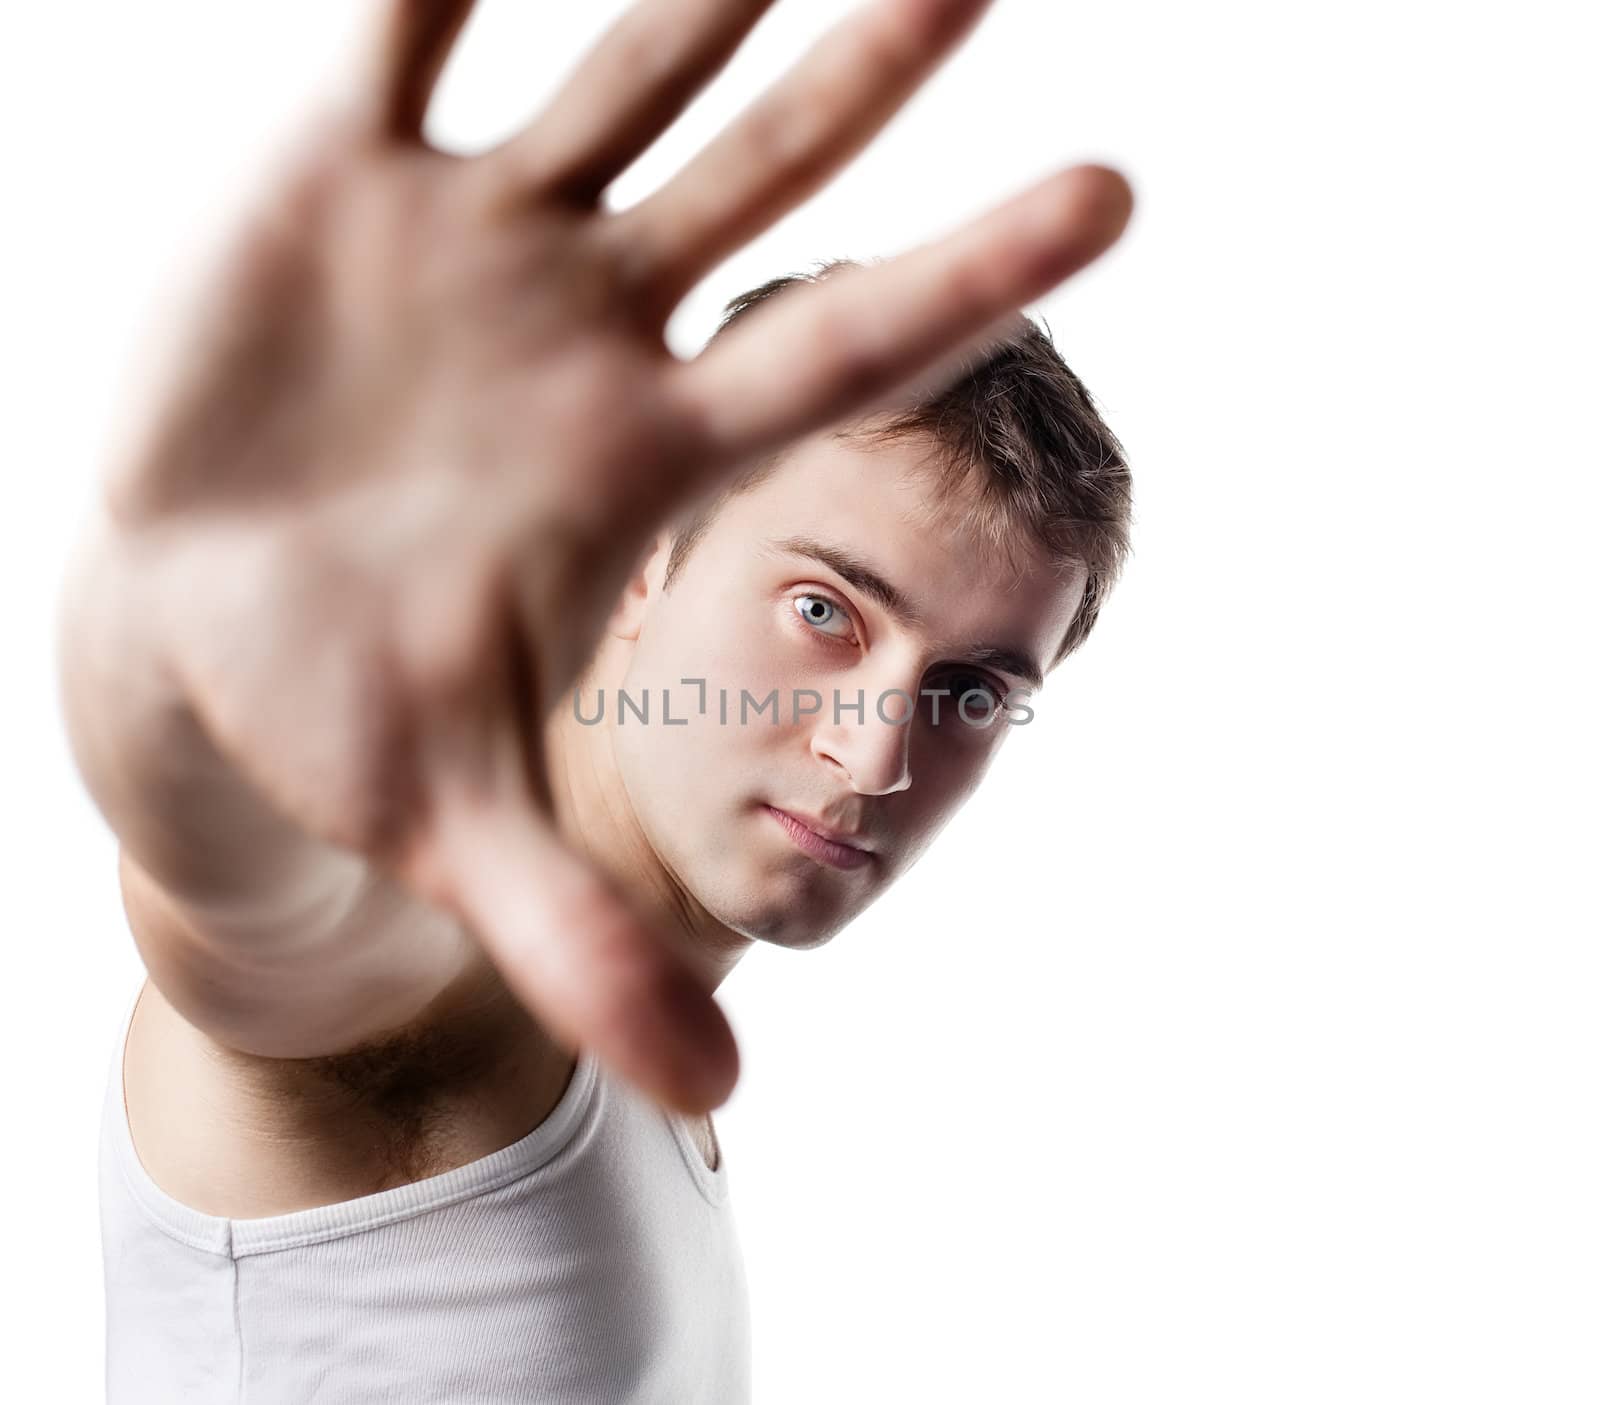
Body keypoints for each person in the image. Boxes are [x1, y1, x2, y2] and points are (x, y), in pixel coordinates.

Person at [56, 1, 1134, 1399]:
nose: (871, 752)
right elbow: (256, 908)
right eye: (824, 611)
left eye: (970, 689)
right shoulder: (431, 985)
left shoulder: (632, 1046)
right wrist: (197, 663)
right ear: (645, 557)